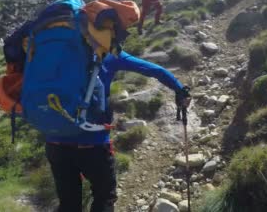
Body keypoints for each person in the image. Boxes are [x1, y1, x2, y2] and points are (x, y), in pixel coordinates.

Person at [45, 50, 191, 212]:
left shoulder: (54, 47)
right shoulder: (107, 51)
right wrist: (179, 88)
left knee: (68, 203)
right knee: (104, 197)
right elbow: (153, 70)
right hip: (93, 143)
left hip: (55, 142)